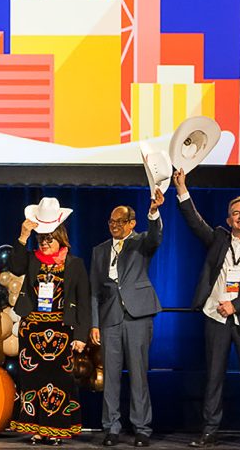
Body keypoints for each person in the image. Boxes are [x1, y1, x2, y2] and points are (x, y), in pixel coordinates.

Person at [174, 170, 240, 450]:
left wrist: (236, 304)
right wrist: (182, 188)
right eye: (235, 212)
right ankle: (210, 431)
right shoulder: (218, 238)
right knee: (214, 377)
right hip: (216, 317)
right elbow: (195, 222)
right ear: (229, 219)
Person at [89, 190, 165, 448]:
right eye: (111, 221)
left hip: (138, 315)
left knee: (138, 374)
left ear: (132, 223)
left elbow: (156, 237)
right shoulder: (99, 250)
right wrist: (94, 323)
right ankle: (111, 427)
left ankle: (142, 428)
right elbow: (94, 290)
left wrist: (153, 212)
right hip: (110, 317)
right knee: (110, 375)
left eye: (120, 222)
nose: (114, 226)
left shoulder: (141, 242)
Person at [9, 206, 91, 445]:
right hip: (32, 329)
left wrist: (81, 335)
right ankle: (35, 427)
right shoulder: (32, 259)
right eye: (41, 239)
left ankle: (56, 428)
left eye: (49, 239)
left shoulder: (75, 264)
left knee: (60, 382)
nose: (44, 243)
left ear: (60, 238)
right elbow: (15, 266)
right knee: (32, 380)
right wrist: (23, 237)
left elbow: (84, 302)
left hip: (62, 332)